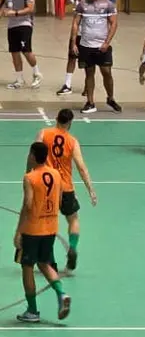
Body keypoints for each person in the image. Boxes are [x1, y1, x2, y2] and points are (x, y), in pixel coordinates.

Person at [14, 142, 72, 323]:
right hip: (51, 227)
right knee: (44, 262)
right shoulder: (55, 174)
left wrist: (19, 231)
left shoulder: (30, 177)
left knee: (27, 267)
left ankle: (32, 311)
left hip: (33, 228)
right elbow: (60, 197)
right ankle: (62, 294)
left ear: (32, 156)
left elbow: (28, 205)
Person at [35, 109, 97, 273]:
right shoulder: (72, 141)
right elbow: (81, 168)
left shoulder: (44, 133)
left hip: (46, 186)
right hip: (66, 188)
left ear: (56, 119)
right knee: (73, 220)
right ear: (70, 123)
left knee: (46, 223)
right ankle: (73, 247)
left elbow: (34, 156)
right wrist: (90, 190)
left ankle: (49, 260)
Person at [70, 0, 120, 114]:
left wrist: (106, 43)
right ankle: (90, 102)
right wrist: (74, 42)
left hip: (102, 46)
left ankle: (110, 98)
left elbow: (114, 24)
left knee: (107, 73)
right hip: (86, 45)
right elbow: (75, 23)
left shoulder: (108, 5)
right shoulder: (82, 5)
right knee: (89, 73)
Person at [2, 0, 42, 89]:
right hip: (12, 25)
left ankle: (37, 73)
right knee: (14, 52)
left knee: (26, 50)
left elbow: (30, 8)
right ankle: (19, 79)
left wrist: (14, 13)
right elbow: (3, 4)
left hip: (25, 24)